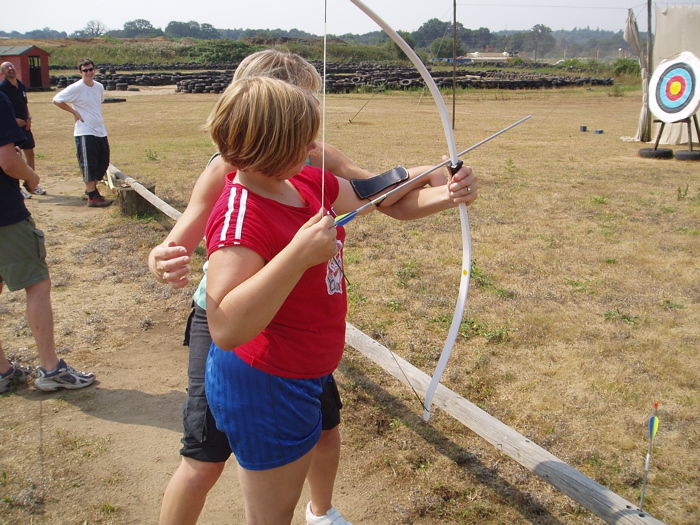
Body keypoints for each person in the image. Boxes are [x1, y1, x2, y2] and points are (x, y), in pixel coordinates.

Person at [150, 50, 477, 525]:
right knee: (205, 463)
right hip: (263, 361)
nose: (315, 145)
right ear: (273, 131)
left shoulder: (305, 174)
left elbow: (376, 192)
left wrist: (443, 185)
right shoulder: (242, 198)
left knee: (318, 441)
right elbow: (224, 319)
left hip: (298, 357)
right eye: (305, 129)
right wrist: (297, 255)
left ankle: (321, 512)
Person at [0, 91, 96, 394]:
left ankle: (3, 371)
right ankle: (51, 368)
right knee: (37, 285)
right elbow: (7, 159)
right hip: (5, 215)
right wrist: (31, 176)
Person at [52, 58, 112, 208]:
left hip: (99, 130)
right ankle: (92, 197)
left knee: (103, 163)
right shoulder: (76, 87)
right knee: (88, 164)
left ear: (94, 70)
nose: (89, 72)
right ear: (80, 72)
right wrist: (74, 112)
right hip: (85, 131)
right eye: (85, 70)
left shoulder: (98, 87)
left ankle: (90, 190)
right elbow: (56, 100)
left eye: (91, 69)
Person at [0, 61, 45, 198]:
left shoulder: (21, 85)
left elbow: (24, 103)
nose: (10, 68)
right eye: (7, 68)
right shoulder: (2, 88)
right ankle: (17, 188)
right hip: (11, 128)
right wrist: (14, 121)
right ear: (2, 73)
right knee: (16, 155)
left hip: (24, 126)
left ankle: (31, 183)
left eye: (11, 66)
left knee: (29, 152)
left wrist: (28, 116)